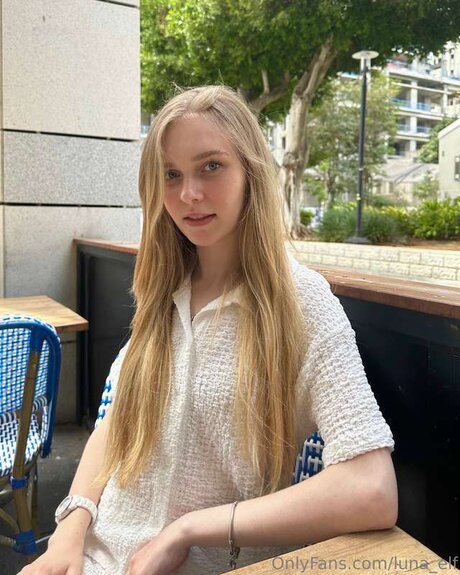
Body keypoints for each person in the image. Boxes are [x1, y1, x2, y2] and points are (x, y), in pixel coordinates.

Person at [18, 85, 397, 575]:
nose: (188, 195)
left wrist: (189, 528)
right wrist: (70, 528)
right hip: (97, 555)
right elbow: (119, 422)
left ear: (251, 173)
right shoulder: (162, 290)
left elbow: (372, 488)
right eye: (171, 174)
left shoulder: (301, 302)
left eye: (211, 166)